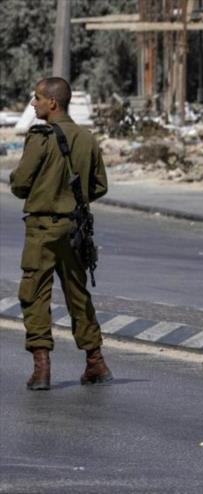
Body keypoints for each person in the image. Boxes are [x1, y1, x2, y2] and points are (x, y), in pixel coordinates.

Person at [10, 77, 112, 391]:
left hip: (42, 228)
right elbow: (99, 186)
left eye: (37, 98)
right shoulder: (86, 138)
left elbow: (20, 185)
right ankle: (95, 361)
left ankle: (42, 368)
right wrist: (72, 200)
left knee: (34, 293)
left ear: (52, 102)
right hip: (74, 228)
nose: (33, 103)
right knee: (78, 294)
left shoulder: (40, 136)